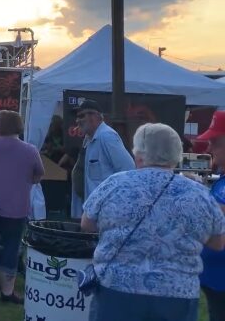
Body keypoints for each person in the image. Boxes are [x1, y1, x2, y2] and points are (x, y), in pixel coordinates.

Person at [81, 123, 225, 321]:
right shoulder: (198, 193)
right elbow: (217, 243)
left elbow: (87, 224)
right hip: (176, 293)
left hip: (117, 289)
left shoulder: (114, 183)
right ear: (177, 155)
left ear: (138, 154)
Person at [0, 110, 44, 304]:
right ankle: (7, 291)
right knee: (12, 245)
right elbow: (38, 175)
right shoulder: (30, 150)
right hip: (16, 203)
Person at [186, 112, 225, 321]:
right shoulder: (221, 180)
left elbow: (212, 220)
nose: (209, 149)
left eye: (215, 143)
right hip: (214, 279)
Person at [70, 99, 135, 218]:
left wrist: (114, 204)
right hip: (91, 210)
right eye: (77, 117)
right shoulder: (90, 138)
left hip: (104, 212)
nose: (77, 120)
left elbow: (128, 169)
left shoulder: (106, 136)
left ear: (95, 116)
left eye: (81, 116)